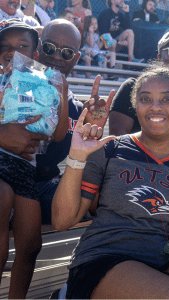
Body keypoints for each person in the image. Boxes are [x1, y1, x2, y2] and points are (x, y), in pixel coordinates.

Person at [51, 65, 169, 300]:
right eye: (146, 99)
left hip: (162, 262)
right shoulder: (110, 150)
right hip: (103, 261)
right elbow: (62, 221)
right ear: (136, 106)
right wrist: (77, 155)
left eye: (167, 99)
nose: (156, 106)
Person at [0, 19, 68, 299]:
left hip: (26, 169)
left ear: (35, 53)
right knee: (2, 199)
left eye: (22, 46)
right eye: (4, 46)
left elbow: (59, 133)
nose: (11, 52)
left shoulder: (44, 82)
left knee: (30, 244)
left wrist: (61, 94)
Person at [35, 19, 113, 225]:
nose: (57, 57)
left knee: (104, 192)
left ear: (76, 58)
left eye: (67, 53)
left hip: (46, 187)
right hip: (8, 185)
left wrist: (89, 133)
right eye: (49, 48)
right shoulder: (13, 88)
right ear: (38, 48)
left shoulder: (78, 110)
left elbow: (81, 164)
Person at [80, 15, 117, 80]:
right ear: (88, 25)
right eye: (92, 24)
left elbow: (99, 46)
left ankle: (112, 68)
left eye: (96, 23)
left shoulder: (97, 34)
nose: (94, 25)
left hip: (98, 52)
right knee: (103, 59)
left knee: (112, 53)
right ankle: (106, 76)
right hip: (91, 53)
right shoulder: (86, 34)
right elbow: (91, 45)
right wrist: (91, 33)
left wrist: (104, 40)